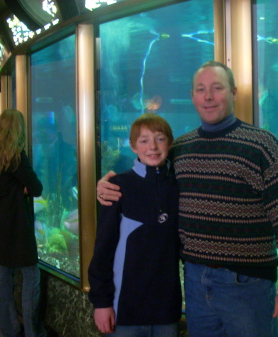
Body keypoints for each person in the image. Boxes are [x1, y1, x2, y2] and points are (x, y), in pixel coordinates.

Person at [97, 61, 278, 337]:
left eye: (216, 88)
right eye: (200, 89)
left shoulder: (263, 146)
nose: (208, 97)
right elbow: (146, 174)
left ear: (233, 92)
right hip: (195, 281)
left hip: (248, 285)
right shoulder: (180, 148)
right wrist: (106, 186)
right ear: (193, 96)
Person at [89, 113, 182, 336]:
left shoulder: (180, 186)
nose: (152, 146)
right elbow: (103, 250)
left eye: (160, 139)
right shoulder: (117, 187)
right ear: (132, 146)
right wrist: (101, 302)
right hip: (126, 308)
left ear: (170, 143)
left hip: (167, 309)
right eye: (144, 140)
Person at [0, 109, 46, 337]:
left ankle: (8, 329)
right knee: (30, 274)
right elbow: (36, 188)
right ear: (19, 128)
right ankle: (32, 330)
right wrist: (24, 187)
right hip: (17, 222)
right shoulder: (15, 154)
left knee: (5, 274)